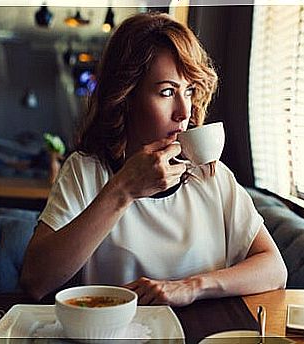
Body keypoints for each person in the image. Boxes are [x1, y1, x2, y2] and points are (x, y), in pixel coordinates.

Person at [20, 12, 287, 306]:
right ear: (127, 97)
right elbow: (35, 281)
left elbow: (274, 268)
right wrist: (123, 190)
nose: (184, 112)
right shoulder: (86, 172)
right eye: (167, 92)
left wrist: (192, 286)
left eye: (189, 91)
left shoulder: (212, 176)